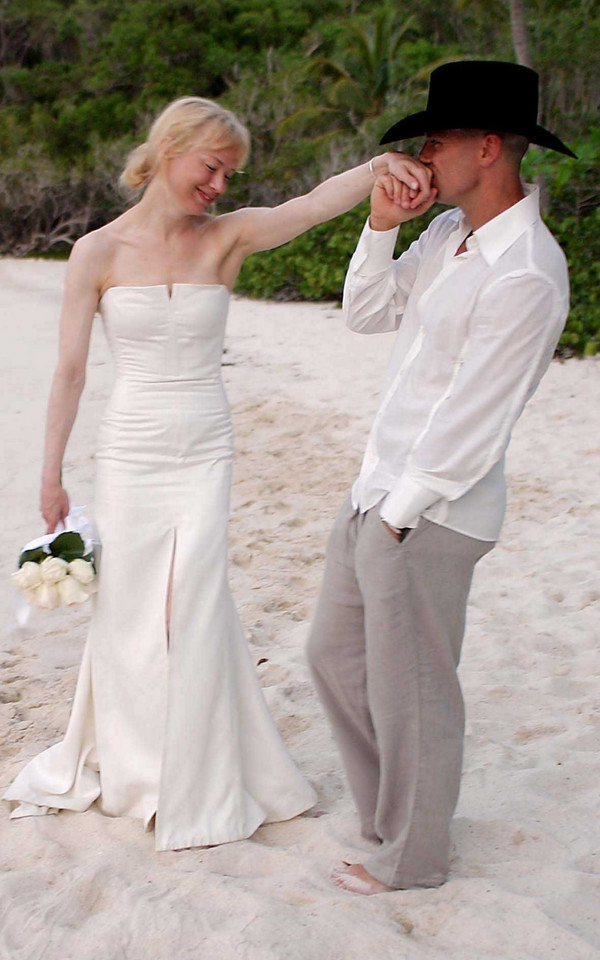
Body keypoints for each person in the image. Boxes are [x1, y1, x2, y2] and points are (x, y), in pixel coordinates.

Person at [2, 96, 432, 851]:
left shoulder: (226, 240)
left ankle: (196, 775)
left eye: (231, 174)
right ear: (171, 148)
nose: (221, 187)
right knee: (133, 611)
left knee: (194, 603)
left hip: (205, 447)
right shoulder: (96, 253)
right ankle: (137, 769)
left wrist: (375, 169)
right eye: (213, 167)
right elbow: (70, 371)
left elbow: (305, 208)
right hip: (131, 449)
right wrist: (50, 475)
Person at [307, 61, 576, 894]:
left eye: (438, 139)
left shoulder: (527, 269)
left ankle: (412, 857)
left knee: (414, 692)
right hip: (376, 489)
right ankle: (389, 818)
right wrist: (383, 224)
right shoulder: (445, 236)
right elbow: (365, 314)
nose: (423, 155)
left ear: (488, 148)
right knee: (333, 660)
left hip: (430, 511)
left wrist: (398, 518)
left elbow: (475, 419)